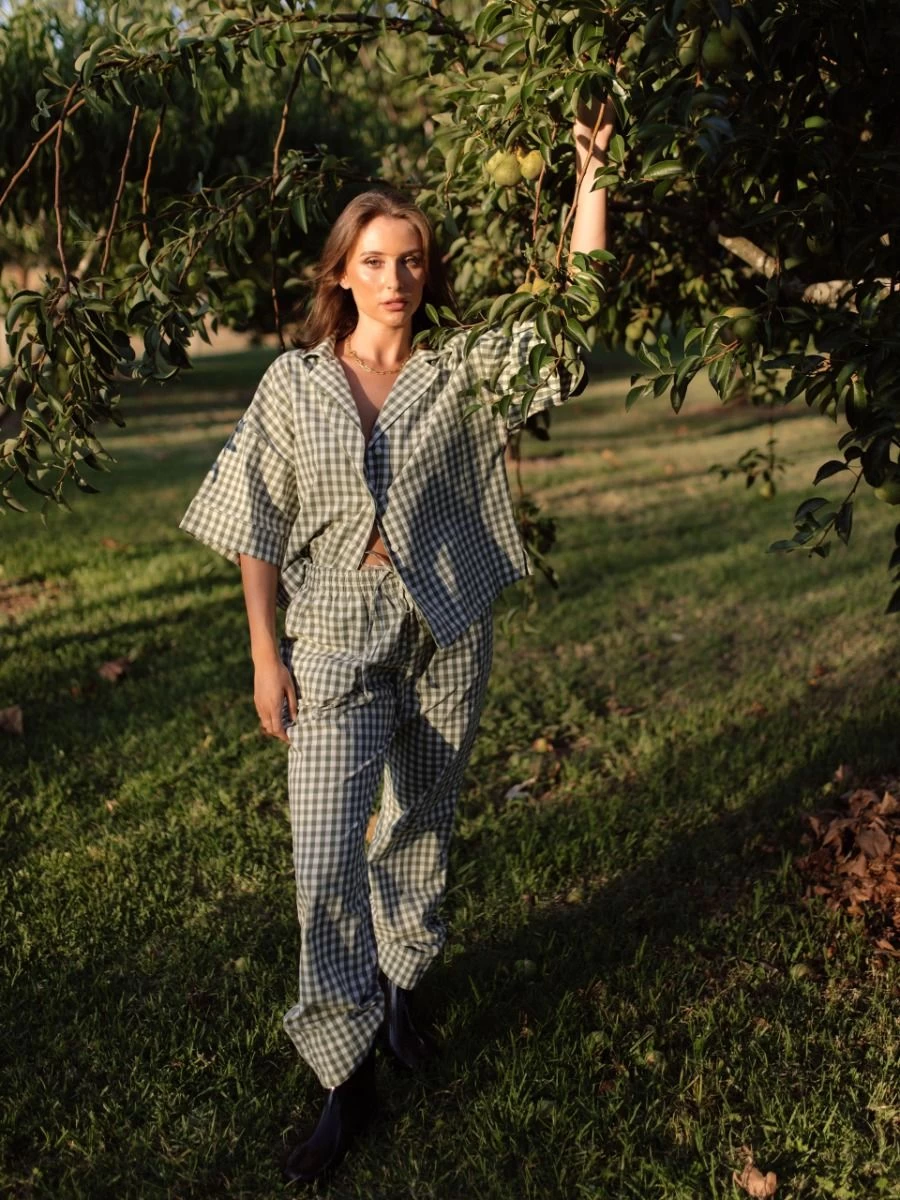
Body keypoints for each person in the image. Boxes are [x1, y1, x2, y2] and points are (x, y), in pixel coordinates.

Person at [178, 95, 614, 1186]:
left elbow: (569, 335)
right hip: (332, 638)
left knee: (420, 819)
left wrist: (591, 175)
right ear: (341, 272)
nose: (395, 278)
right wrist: (264, 654)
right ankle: (344, 1074)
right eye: (374, 260)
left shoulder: (459, 371)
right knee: (324, 853)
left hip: (447, 629)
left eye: (411, 260)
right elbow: (256, 521)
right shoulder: (293, 384)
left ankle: (404, 991)